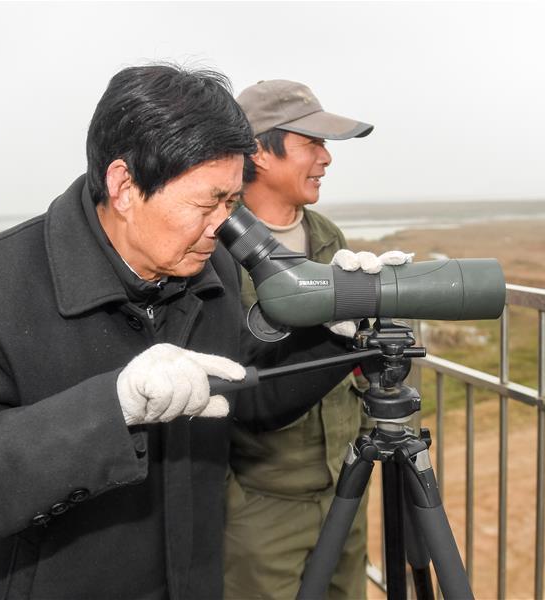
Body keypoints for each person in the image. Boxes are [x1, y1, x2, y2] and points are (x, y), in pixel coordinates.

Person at [0, 65, 362, 600]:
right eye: (206, 204)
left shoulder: (211, 266)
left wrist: (333, 333)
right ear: (125, 185)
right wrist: (111, 409)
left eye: (230, 203)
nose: (220, 226)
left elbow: (247, 395)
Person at [224, 80, 411, 600]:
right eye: (312, 143)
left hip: (345, 487)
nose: (326, 158)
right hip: (261, 505)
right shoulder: (217, 248)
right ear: (259, 151)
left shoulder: (327, 237)